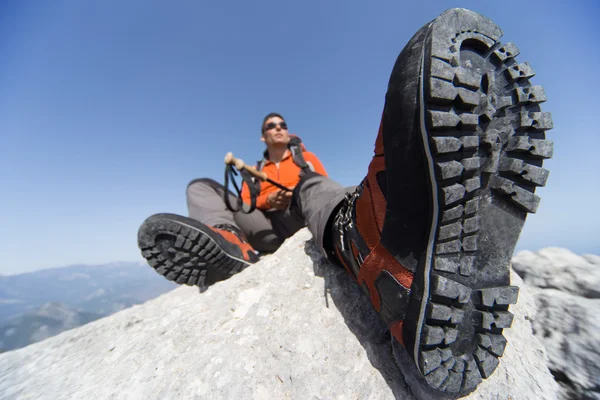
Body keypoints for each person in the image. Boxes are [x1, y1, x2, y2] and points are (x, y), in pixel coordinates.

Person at [138, 8, 553, 396]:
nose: (279, 128)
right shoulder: (256, 168)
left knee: (312, 185)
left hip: (295, 216)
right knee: (202, 186)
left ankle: (358, 233)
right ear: (264, 136)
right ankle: (228, 244)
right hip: (258, 226)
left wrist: (290, 189)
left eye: (282, 124)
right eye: (271, 126)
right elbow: (243, 201)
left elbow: (313, 185)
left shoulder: (302, 159)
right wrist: (249, 202)